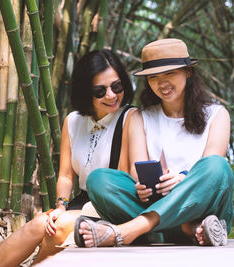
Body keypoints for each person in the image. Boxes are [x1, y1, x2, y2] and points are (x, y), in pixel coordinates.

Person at [75, 38, 233, 248]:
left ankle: (131, 230)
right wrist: (141, 187)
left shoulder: (217, 115)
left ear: (188, 71)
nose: (162, 83)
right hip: (167, 207)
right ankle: (188, 230)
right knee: (99, 180)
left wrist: (182, 180)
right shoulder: (141, 117)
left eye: (170, 73)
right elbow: (135, 170)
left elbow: (210, 173)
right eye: (154, 77)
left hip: (204, 209)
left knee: (218, 166)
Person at [0, 49, 135, 266]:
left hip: (112, 207)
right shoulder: (73, 121)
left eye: (117, 86)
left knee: (55, 228)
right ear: (86, 93)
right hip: (82, 202)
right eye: (100, 91)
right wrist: (61, 206)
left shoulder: (130, 118)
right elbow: (66, 175)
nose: (112, 95)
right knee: (40, 224)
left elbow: (122, 180)